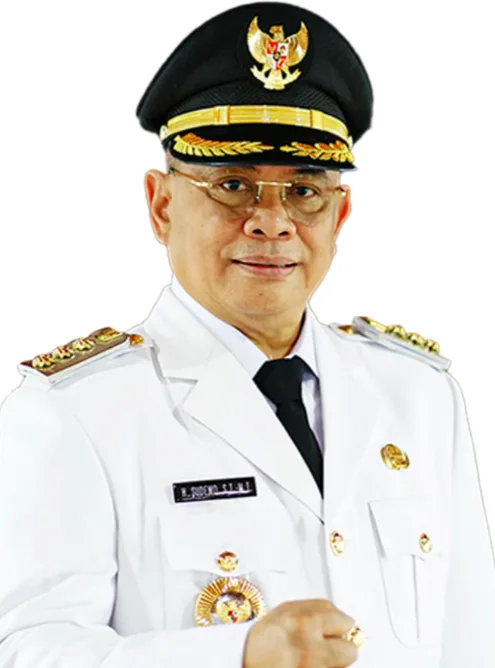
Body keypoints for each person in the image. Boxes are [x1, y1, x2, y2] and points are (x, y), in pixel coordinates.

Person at [0, 1, 494, 666]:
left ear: (340, 213)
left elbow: (471, 640)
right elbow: (27, 650)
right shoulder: (76, 413)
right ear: (162, 205)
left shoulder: (417, 395)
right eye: (233, 184)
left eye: (304, 191)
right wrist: (236, 653)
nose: (271, 222)